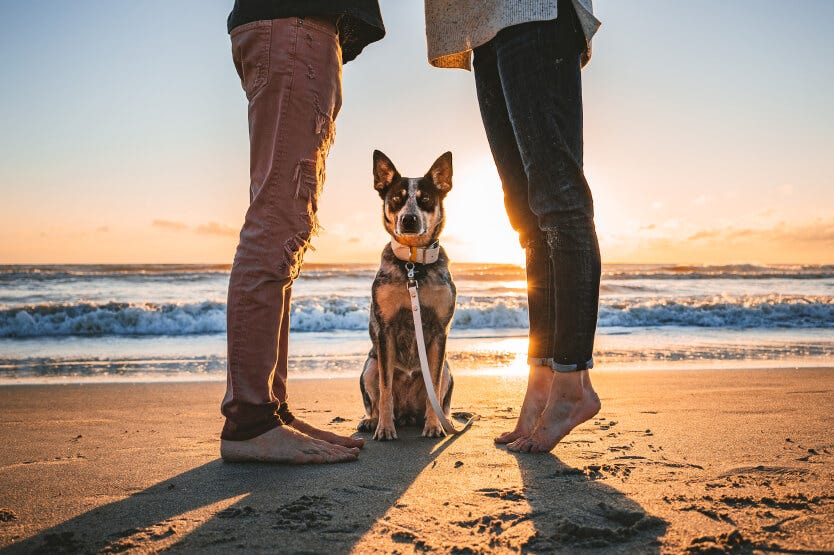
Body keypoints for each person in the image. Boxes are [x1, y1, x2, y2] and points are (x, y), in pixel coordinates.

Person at [424, 0, 602, 453]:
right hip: (480, 28)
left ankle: (571, 385)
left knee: (560, 204)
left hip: (533, 12)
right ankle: (541, 384)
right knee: (528, 219)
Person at [220, 1, 384, 464]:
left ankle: (269, 410)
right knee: (277, 219)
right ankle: (250, 419)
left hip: (300, 28)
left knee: (287, 222)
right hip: (293, 26)